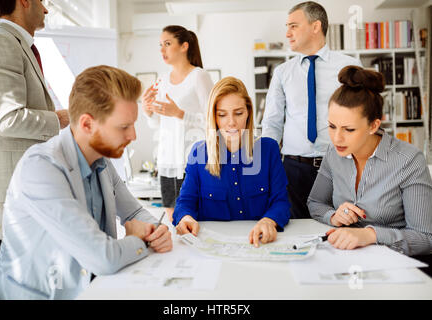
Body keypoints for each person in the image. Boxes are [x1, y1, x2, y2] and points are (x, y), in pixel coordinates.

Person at [0, 65, 173, 300]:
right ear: (87, 124)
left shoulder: (101, 160)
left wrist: (157, 230)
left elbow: (133, 211)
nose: (133, 136)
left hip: (90, 289)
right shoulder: (41, 167)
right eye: (124, 126)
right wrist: (139, 240)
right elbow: (103, 258)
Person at [308, 65, 432, 256]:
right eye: (332, 126)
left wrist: (370, 234)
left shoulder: (409, 161)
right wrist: (333, 216)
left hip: (393, 264)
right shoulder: (334, 154)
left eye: (349, 129)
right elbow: (315, 202)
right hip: (343, 256)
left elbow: (425, 238)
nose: (337, 138)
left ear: (374, 125)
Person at [261, 1, 361, 219]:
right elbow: (272, 124)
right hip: (293, 170)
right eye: (287, 27)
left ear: (316, 27)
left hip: (339, 166)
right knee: (295, 230)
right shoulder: (282, 72)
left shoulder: (350, 67)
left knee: (340, 228)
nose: (287, 33)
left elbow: (362, 118)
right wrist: (269, 166)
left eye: (293, 26)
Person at [0, 0, 69, 235]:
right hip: (15, 188)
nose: (47, 9)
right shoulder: (1, 42)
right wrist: (60, 118)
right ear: (24, 2)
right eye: (42, 1)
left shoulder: (17, 43)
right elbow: (7, 119)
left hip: (28, 184)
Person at [172, 77, 291, 247]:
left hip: (259, 244)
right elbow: (184, 202)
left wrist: (269, 220)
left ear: (248, 112)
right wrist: (186, 217)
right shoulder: (198, 153)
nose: (231, 122)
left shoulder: (268, 149)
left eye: (238, 113)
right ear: (214, 117)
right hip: (212, 247)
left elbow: (281, 201)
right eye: (222, 115)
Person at [141, 25, 214, 222]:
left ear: (184, 46)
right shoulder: (163, 80)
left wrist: (180, 114)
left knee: (192, 218)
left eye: (167, 44)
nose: (162, 50)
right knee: (172, 218)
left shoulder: (199, 76)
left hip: (191, 159)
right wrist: (148, 111)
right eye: (160, 45)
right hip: (166, 161)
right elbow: (157, 124)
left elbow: (214, 120)